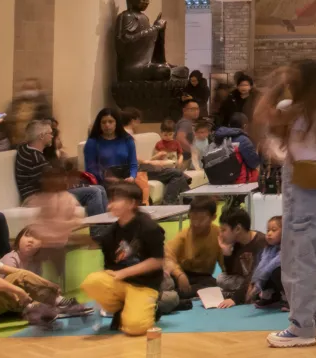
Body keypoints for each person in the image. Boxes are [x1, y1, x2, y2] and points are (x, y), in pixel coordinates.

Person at [254, 59, 316, 347]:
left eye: (292, 78)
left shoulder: (303, 114)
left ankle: (301, 327)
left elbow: (263, 114)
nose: (287, 82)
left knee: (299, 259)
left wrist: (276, 84)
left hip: (303, 193)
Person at [80, 182, 165, 336]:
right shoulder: (109, 235)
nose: (110, 205)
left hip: (145, 285)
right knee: (91, 281)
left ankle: (152, 307)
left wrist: (124, 273)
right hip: (121, 285)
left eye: (116, 200)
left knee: (135, 328)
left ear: (132, 203)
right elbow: (109, 267)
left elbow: (157, 261)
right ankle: (122, 308)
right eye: (110, 200)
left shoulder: (149, 228)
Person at [0, 217, 59, 328]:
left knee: (19, 277)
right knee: (5, 284)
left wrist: (50, 285)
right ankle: (34, 308)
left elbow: (21, 272)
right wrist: (19, 291)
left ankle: (57, 301)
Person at [15, 118, 106, 215]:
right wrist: (81, 185)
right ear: (41, 136)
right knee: (94, 192)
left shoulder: (25, 149)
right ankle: (98, 229)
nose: (52, 136)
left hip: (42, 193)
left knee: (100, 188)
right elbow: (54, 184)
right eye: (50, 133)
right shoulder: (35, 158)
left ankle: (106, 227)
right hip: (36, 197)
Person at [84, 107, 147, 204]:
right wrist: (107, 178)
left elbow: (133, 163)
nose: (107, 125)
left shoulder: (127, 139)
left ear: (116, 123)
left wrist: (132, 177)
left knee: (137, 192)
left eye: (110, 121)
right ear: (99, 124)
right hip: (103, 181)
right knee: (119, 192)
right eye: (103, 122)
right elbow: (90, 168)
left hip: (125, 179)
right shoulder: (93, 142)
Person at [166, 196, 222, 298]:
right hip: (181, 274)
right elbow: (167, 257)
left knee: (217, 284)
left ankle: (179, 294)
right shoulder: (183, 236)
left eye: (201, 220)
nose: (196, 224)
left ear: (213, 217)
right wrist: (179, 275)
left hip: (203, 278)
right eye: (192, 219)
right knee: (166, 281)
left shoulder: (218, 234)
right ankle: (179, 294)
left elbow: (225, 266)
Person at [217, 207, 269, 306]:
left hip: (258, 280)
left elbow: (255, 276)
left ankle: (248, 295)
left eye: (223, 230)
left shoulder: (261, 243)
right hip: (243, 280)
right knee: (221, 278)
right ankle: (245, 294)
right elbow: (230, 272)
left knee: (257, 284)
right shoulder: (235, 243)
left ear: (237, 229)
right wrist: (226, 254)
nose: (221, 234)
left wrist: (235, 299)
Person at [252, 215, 287, 308]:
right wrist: (255, 281)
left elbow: (272, 265)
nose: (269, 233)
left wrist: (259, 282)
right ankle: (271, 296)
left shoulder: (287, 248)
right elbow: (262, 264)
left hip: (288, 278)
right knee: (261, 269)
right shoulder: (268, 248)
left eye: (274, 230)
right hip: (270, 274)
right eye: (268, 230)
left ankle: (288, 298)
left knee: (275, 271)